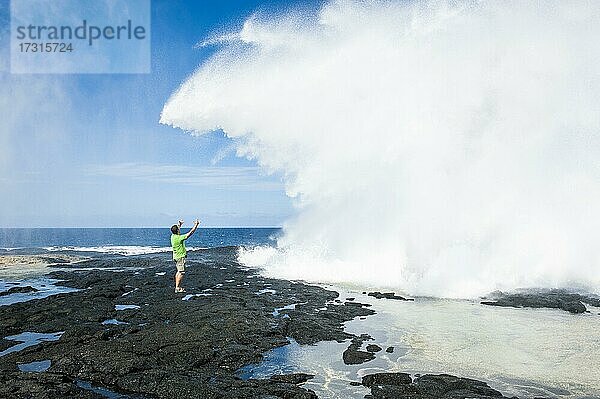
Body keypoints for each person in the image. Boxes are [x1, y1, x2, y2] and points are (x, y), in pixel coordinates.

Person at [170, 219, 200, 293]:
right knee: (181, 272)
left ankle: (177, 286)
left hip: (175, 257)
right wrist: (196, 225)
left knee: (178, 272)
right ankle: (177, 288)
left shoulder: (173, 236)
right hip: (180, 257)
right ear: (177, 231)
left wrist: (179, 224)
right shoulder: (179, 238)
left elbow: (177, 230)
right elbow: (190, 233)